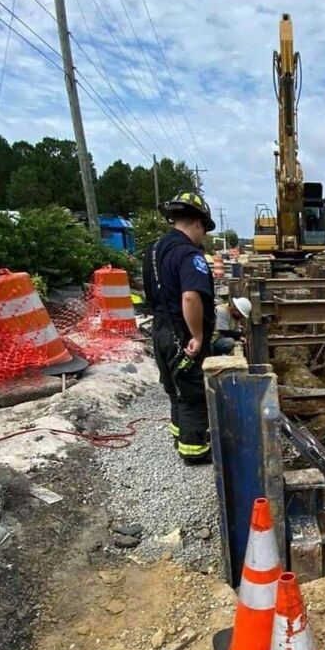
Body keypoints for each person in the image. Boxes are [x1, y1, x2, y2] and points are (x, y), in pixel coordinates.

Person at [142, 191, 216, 465]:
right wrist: (196, 335)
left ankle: (180, 437)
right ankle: (195, 451)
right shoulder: (187, 254)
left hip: (161, 331)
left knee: (174, 390)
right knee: (193, 394)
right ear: (197, 222)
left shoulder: (154, 251)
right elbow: (190, 296)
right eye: (204, 230)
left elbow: (154, 294)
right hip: (181, 337)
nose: (203, 237)